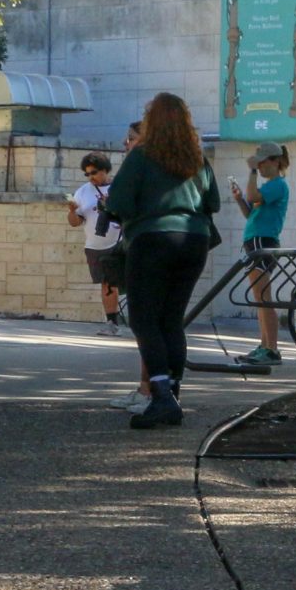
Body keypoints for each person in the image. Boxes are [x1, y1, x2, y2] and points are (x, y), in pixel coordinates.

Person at [104, 93, 221, 430]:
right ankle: (173, 394)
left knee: (144, 319)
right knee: (171, 319)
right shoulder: (196, 158)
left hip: (152, 239)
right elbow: (212, 200)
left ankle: (160, 396)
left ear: (151, 121)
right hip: (194, 240)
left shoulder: (142, 155)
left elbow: (119, 200)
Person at [232, 142, 292, 366]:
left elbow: (253, 194)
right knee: (259, 298)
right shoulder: (270, 187)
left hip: (263, 241)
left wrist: (252, 171)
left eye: (263, 161)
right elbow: (251, 211)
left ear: (276, 161)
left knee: (264, 297)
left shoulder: (277, 185)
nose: (261, 165)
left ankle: (272, 349)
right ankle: (265, 345)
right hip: (255, 240)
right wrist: (239, 198)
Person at [67, 150, 125, 334]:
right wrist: (71, 211)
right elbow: (75, 222)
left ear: (105, 170)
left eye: (94, 172)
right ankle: (112, 323)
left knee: (129, 281)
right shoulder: (83, 192)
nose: (90, 177)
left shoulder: (120, 187)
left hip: (120, 242)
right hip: (95, 245)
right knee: (107, 284)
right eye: (87, 174)